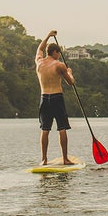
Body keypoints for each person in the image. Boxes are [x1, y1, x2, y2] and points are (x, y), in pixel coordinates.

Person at [35, 30, 75, 165]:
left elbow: (40, 48)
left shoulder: (39, 62)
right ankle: (65, 159)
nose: (59, 56)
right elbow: (71, 83)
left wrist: (48, 35)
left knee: (45, 129)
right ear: (56, 53)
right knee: (62, 128)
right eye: (59, 53)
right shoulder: (59, 65)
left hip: (44, 97)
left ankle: (43, 159)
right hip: (57, 97)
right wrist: (69, 72)